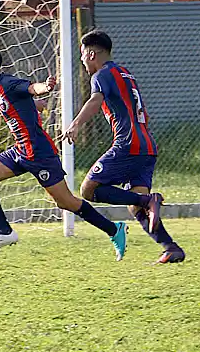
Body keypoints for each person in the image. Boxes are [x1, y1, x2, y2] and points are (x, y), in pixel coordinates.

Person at [0, 46, 128, 258]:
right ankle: (4, 232)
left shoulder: (7, 83)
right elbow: (21, 101)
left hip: (39, 154)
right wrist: (35, 104)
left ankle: (114, 229)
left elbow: (31, 88)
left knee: (66, 202)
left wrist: (45, 87)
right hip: (20, 151)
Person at [60, 30, 185, 264]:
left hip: (128, 144)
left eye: (82, 55)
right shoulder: (125, 74)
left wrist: (75, 124)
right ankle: (171, 248)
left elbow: (95, 100)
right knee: (134, 205)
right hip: (147, 146)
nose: (82, 61)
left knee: (88, 190)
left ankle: (149, 201)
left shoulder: (101, 75)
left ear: (91, 54)